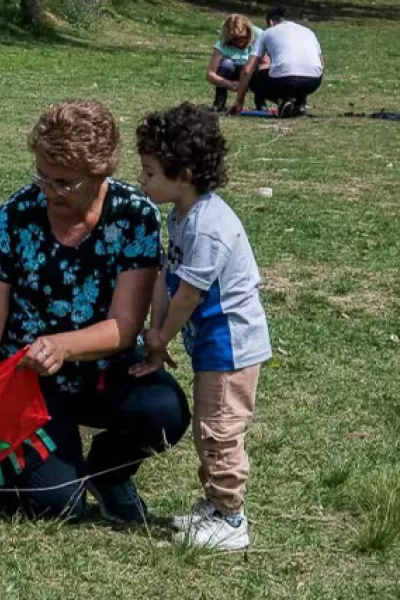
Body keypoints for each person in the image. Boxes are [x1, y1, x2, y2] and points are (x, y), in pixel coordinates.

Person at [0, 100, 190, 524]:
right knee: (57, 506)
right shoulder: (17, 215)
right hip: (30, 380)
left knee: (166, 411)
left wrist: (60, 346)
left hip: (103, 368)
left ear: (100, 175)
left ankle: (109, 472)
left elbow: (124, 327)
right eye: (42, 176)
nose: (48, 191)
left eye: (64, 183)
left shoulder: (134, 215)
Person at [133, 103, 272, 550]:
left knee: (219, 429)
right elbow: (165, 280)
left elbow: (188, 296)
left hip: (229, 348)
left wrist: (160, 337)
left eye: (151, 172)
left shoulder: (209, 228)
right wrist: (156, 336)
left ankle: (231, 520)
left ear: (186, 173)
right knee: (209, 427)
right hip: (212, 346)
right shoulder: (182, 216)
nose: (143, 180)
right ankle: (215, 506)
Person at [231, 5, 325, 118]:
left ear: (271, 22)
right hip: (313, 81)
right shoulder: (308, 31)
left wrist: (239, 101)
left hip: (286, 80)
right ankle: (299, 104)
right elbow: (322, 64)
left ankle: (281, 101)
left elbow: (247, 70)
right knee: (297, 76)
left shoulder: (267, 33)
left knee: (254, 76)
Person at [205, 14, 267, 112]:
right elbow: (210, 74)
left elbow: (267, 62)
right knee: (226, 64)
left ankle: (261, 103)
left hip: (252, 71)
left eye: (242, 37)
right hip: (232, 72)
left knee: (261, 68)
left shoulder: (259, 35)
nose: (239, 43)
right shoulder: (222, 43)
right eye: (234, 39)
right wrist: (229, 84)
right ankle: (219, 103)